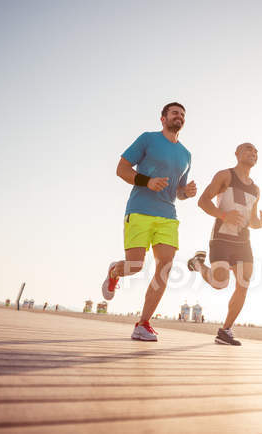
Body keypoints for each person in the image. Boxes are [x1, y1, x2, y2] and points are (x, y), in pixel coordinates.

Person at [101, 102, 197, 342]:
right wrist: (147, 181)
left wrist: (188, 192)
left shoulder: (186, 154)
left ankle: (143, 323)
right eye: (175, 113)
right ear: (163, 118)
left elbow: (178, 192)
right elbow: (121, 169)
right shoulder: (147, 139)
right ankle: (115, 271)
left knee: (165, 266)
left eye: (183, 115)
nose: (179, 117)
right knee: (134, 266)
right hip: (140, 210)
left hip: (168, 215)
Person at [187, 143, 262, 346]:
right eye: (248, 149)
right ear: (237, 154)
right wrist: (224, 215)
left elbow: (252, 221)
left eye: (256, 152)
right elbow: (203, 201)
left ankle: (225, 331)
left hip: (243, 241)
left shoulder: (256, 189)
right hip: (221, 237)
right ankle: (198, 263)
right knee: (220, 283)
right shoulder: (225, 175)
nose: (253, 153)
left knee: (243, 284)